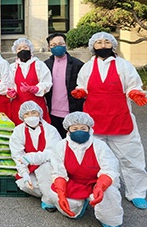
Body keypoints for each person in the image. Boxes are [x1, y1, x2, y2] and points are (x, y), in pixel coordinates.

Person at [72, 32, 147, 209]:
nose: (103, 45)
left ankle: (137, 192)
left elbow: (133, 85)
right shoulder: (87, 67)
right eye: (99, 42)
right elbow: (81, 85)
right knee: (94, 159)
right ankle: (95, 190)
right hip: (94, 120)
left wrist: (135, 93)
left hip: (120, 119)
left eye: (107, 42)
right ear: (93, 47)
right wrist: (81, 92)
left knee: (131, 159)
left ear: (112, 45)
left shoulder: (123, 65)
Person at [49, 112, 123, 227]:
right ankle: (78, 208)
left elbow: (110, 169)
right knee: (55, 194)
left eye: (83, 128)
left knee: (110, 193)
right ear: (68, 131)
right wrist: (61, 194)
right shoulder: (60, 146)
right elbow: (58, 172)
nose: (79, 131)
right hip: (75, 183)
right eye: (75, 128)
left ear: (89, 129)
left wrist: (100, 186)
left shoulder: (100, 146)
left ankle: (109, 221)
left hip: (96, 183)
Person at [9, 101, 61, 212]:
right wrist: (24, 173)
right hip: (29, 168)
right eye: (26, 114)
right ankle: (49, 193)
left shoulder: (50, 130)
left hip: (48, 166)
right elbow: (17, 155)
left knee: (44, 168)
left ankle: (49, 201)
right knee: (24, 184)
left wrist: (31, 158)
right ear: (22, 116)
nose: (30, 116)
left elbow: (52, 152)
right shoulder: (18, 131)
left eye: (34, 113)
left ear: (40, 114)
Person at [44, 33, 84, 138]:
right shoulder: (45, 65)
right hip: (52, 112)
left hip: (71, 110)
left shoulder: (77, 64)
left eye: (60, 43)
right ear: (49, 47)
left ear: (66, 45)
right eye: (53, 45)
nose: (57, 47)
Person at [9, 38, 52, 125]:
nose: (23, 50)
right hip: (18, 104)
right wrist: (11, 92)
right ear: (15, 51)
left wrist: (35, 88)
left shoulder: (39, 65)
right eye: (19, 48)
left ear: (31, 49)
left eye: (25, 47)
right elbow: (9, 84)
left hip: (37, 104)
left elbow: (47, 82)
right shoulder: (12, 67)